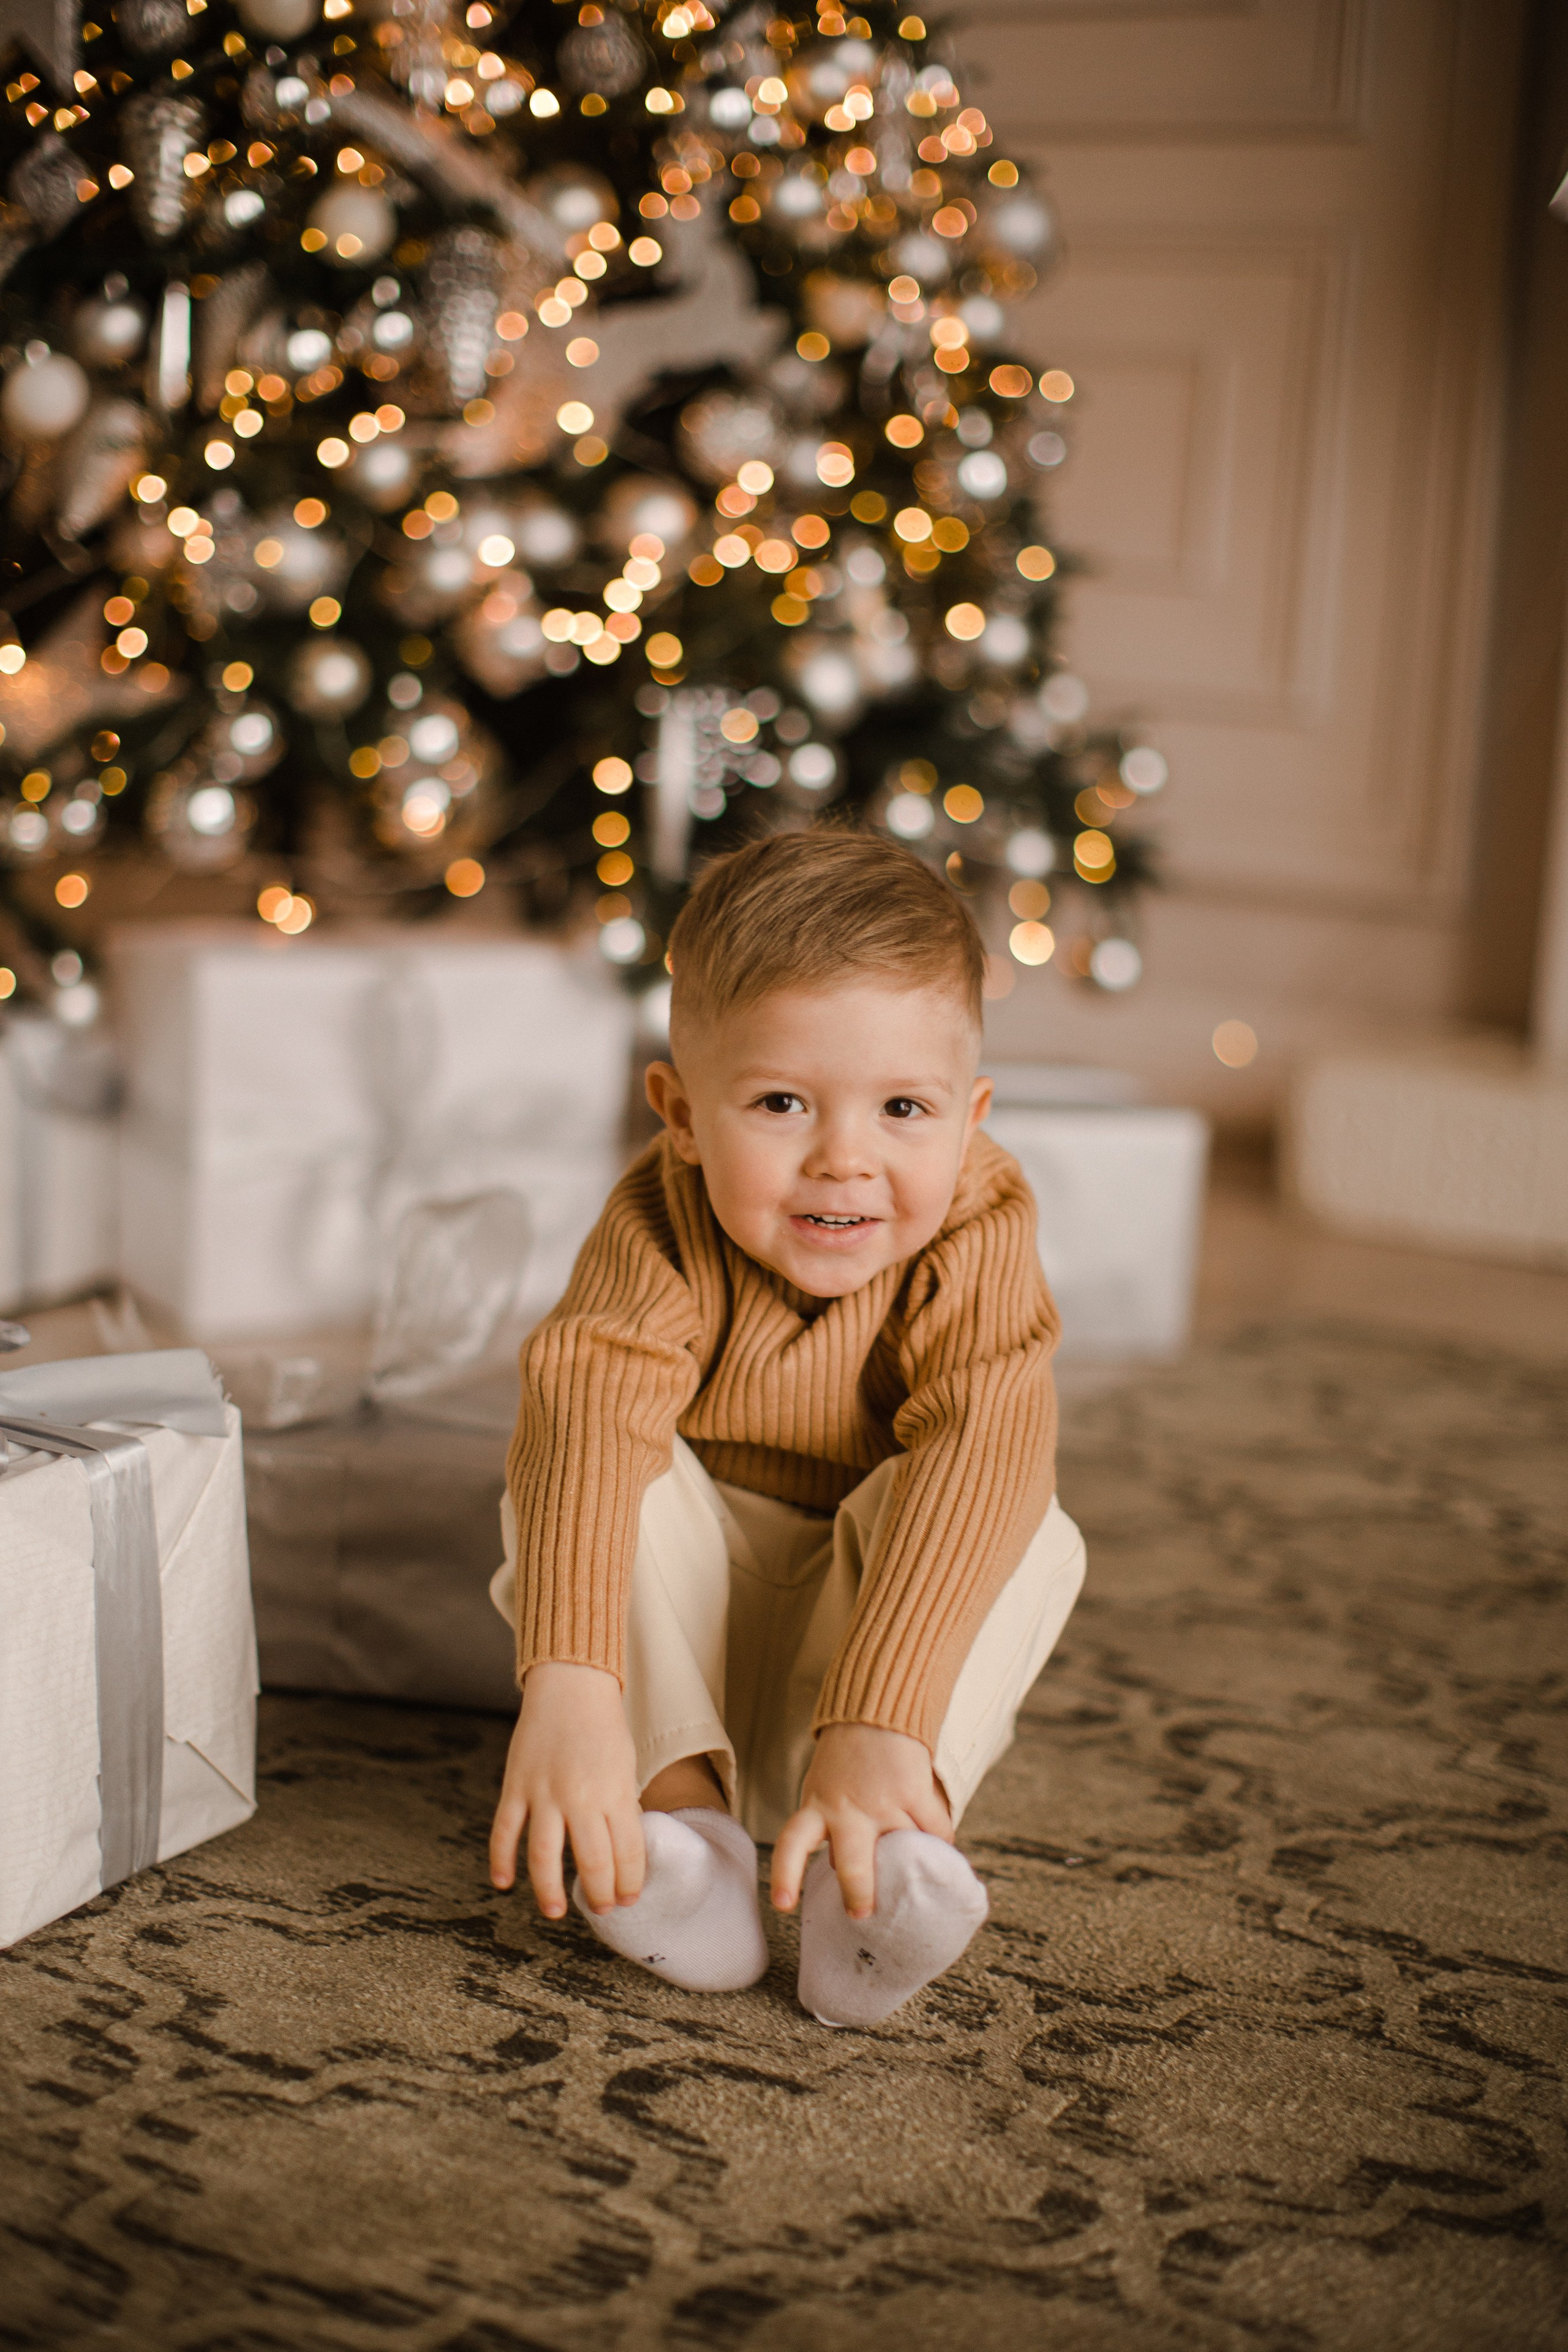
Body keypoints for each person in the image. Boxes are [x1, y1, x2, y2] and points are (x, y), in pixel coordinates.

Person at [488, 827, 1086, 2026]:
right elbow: (591, 1408)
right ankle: (676, 1839)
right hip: (683, 1687)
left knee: (1023, 1516)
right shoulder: (660, 1223)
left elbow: (977, 1443)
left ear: (968, 1117)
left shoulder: (978, 1228)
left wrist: (875, 1722)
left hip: (854, 1682)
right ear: (681, 1112)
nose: (843, 1161)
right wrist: (567, 1685)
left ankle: (871, 1861)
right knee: (579, 1451)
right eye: (778, 1103)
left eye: (902, 1109)